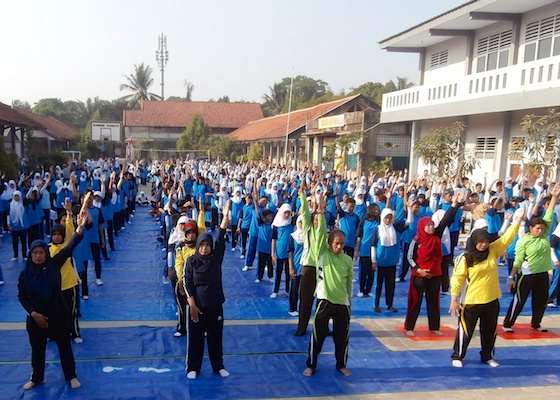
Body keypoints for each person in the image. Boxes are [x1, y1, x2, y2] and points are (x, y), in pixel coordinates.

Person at [17, 206, 88, 390]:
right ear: (31, 254)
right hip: (36, 319)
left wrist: (79, 229)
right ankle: (37, 377)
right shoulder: (25, 274)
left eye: (41, 252)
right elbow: (22, 297)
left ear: (46, 254)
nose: (39, 256)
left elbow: (69, 247)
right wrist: (34, 314)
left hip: (57, 315)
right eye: (35, 253)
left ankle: (71, 376)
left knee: (64, 347)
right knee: (37, 350)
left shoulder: (53, 264)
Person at [449, 208, 525, 368]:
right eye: (480, 241)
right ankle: (458, 355)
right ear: (474, 240)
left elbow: (506, 240)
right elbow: (457, 278)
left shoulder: (492, 251)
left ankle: (487, 356)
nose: (483, 244)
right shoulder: (466, 258)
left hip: (491, 299)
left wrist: (516, 222)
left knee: (489, 331)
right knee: (465, 331)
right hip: (471, 301)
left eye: (485, 241)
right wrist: (454, 300)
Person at [303, 193, 353, 378]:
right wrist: (321, 212)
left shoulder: (347, 260)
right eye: (336, 244)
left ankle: (341, 363)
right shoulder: (321, 254)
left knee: (342, 337)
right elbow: (319, 232)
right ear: (330, 243)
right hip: (324, 300)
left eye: (342, 244)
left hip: (342, 303)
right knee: (318, 335)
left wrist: (350, 301)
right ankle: (311, 364)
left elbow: (349, 282)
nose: (339, 247)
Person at [184, 200, 230, 380]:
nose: (204, 248)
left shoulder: (216, 258)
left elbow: (221, 235)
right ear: (197, 246)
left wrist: (225, 216)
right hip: (197, 306)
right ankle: (192, 367)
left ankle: (218, 365)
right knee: (195, 339)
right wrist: (193, 306)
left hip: (215, 305)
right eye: (201, 245)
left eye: (207, 245)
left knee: (215, 337)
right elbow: (187, 284)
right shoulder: (191, 261)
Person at [502, 187, 560, 333]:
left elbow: (549, 214)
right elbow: (518, 260)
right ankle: (508, 323)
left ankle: (536, 323)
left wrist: (554, 197)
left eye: (542, 228)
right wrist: (511, 277)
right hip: (527, 274)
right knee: (519, 301)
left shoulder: (545, 234)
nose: (540, 231)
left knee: (540, 301)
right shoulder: (524, 241)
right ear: (531, 228)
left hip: (542, 274)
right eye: (537, 229)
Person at [404, 192, 462, 336]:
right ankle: (410, 327)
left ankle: (434, 327)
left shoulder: (437, 235)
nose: (430, 227)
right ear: (422, 226)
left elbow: (445, 221)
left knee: (433, 302)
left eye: (432, 225)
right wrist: (419, 270)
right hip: (420, 275)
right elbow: (410, 257)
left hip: (435, 274)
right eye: (428, 226)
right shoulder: (417, 240)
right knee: (415, 301)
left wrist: (454, 205)